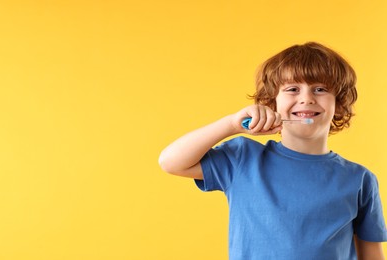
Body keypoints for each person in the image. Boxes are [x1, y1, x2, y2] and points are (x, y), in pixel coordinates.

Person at [158, 42, 387, 259]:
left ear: (338, 103)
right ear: (272, 102)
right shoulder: (242, 158)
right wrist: (231, 125)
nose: (306, 99)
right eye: (293, 89)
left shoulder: (360, 179)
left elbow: (372, 255)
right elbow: (171, 162)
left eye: (320, 89)